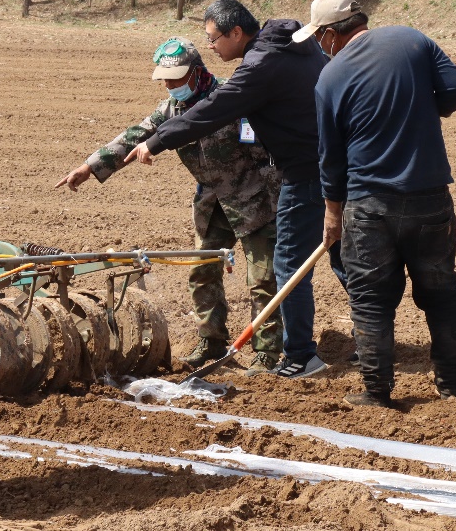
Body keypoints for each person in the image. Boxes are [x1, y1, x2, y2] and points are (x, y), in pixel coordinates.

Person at [125, 0, 345, 380]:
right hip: (334, 162)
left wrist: (157, 142)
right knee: (347, 259)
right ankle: (376, 345)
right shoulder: (295, 43)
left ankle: (298, 356)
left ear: (236, 33)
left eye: (213, 38)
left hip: (300, 174)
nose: (210, 47)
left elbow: (213, 109)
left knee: (286, 265)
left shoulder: (259, 66)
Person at [55, 38, 284, 375]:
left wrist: (278, 202)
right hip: (211, 204)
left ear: (196, 72)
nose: (170, 85)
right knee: (202, 272)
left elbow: (265, 154)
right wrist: (89, 167)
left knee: (262, 278)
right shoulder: (171, 111)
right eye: (165, 79)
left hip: (254, 201)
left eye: (176, 78)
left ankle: (266, 352)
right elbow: (134, 137)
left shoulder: (233, 102)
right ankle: (212, 342)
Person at [302, 0, 456, 409]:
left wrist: (332, 212)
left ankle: (376, 392)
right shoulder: (411, 39)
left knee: (371, 299)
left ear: (328, 34)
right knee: (442, 291)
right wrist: (424, 109)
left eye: (318, 38)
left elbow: (331, 156)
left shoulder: (330, 77)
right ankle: (450, 385)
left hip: (368, 204)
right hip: (430, 197)